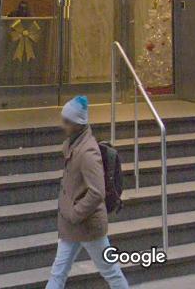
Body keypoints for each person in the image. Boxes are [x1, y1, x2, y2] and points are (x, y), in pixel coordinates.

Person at [44, 95, 131, 289]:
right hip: (73, 225)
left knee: (111, 272)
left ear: (78, 123)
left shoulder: (87, 152)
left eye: (67, 121)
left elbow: (97, 192)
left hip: (88, 226)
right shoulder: (74, 145)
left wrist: (75, 213)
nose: (63, 125)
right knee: (58, 273)